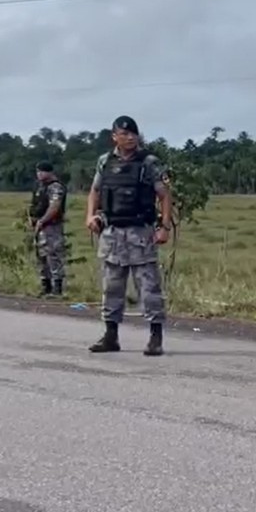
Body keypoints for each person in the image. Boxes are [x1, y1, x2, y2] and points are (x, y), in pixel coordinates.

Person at [86, 115, 172, 356]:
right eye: (124, 134)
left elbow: (165, 195)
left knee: (149, 287)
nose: (130, 137)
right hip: (112, 233)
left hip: (140, 232)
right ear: (114, 136)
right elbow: (94, 191)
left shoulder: (149, 162)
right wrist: (90, 216)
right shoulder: (105, 162)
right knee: (111, 287)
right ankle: (110, 335)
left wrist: (164, 227)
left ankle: (155, 337)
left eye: (133, 133)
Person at [30, 161, 68, 297]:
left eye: (42, 171)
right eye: (38, 171)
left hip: (51, 226)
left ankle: (57, 289)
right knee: (41, 257)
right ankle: (45, 287)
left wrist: (43, 220)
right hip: (39, 226)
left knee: (53, 255)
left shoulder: (55, 187)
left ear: (50, 172)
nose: (39, 174)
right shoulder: (40, 187)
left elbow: (54, 207)